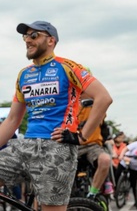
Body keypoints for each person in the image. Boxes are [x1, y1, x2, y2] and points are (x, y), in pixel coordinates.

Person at [0, 21, 113, 211]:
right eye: (25, 36)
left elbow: (103, 98)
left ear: (51, 40)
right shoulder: (23, 75)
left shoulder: (67, 67)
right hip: (25, 145)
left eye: (34, 35)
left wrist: (81, 136)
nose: (28, 40)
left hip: (56, 148)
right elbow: (12, 120)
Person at [76, 98, 114, 199]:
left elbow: (104, 103)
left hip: (92, 145)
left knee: (105, 159)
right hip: (73, 145)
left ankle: (93, 193)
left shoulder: (94, 105)